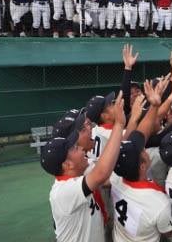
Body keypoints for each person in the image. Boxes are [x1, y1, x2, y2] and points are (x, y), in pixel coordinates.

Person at [40, 91, 125, 242]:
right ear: (67, 164)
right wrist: (119, 124)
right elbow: (101, 174)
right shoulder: (64, 191)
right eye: (73, 148)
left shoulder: (77, 173)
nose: (79, 148)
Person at [111, 79, 172, 241]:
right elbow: (169, 233)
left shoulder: (116, 179)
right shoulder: (158, 202)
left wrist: (154, 105)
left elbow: (141, 133)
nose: (143, 147)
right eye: (142, 149)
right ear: (143, 165)